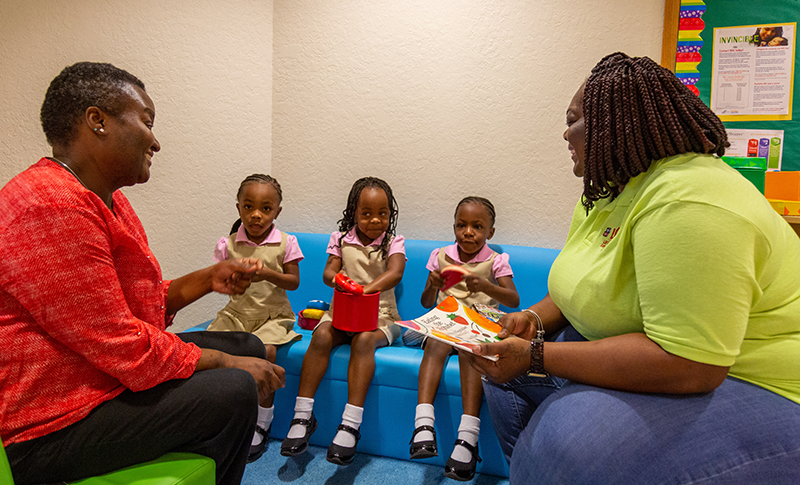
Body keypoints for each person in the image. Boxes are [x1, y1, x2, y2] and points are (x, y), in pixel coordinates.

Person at [464, 53, 800, 483]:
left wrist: (535, 356)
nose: (565, 133)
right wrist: (530, 320)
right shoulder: (606, 192)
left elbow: (691, 363)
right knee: (501, 379)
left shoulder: (689, 199)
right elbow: (576, 289)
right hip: (662, 356)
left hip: (753, 379)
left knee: (565, 445)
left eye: (573, 120)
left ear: (612, 122)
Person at [0, 62, 286, 485]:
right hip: (52, 424)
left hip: (102, 379)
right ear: (97, 121)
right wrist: (228, 363)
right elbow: (120, 344)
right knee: (233, 388)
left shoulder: (105, 199)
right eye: (147, 122)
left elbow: (130, 307)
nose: (155, 141)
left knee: (248, 344)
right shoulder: (49, 205)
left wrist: (207, 279)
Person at [280, 177, 405, 466]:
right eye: (366, 213)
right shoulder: (339, 239)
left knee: (363, 340)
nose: (375, 220)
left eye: (383, 213)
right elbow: (328, 273)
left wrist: (368, 289)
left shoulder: (393, 242)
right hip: (342, 313)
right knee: (321, 335)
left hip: (381, 316)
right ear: (353, 213)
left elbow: (396, 272)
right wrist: (338, 280)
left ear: (391, 214)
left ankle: (350, 423)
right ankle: (302, 415)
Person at [405, 196, 519, 481]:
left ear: (490, 232)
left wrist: (486, 285)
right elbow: (425, 302)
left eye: (477, 227)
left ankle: (467, 438)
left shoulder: (496, 261)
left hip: (478, 327)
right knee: (437, 341)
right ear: (454, 227)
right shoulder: (440, 256)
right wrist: (432, 285)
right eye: (461, 225)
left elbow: (513, 299)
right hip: (444, 325)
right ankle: (423, 425)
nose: (468, 232)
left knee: (472, 350)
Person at [208, 173, 303, 462]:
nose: (256, 215)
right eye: (248, 207)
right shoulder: (228, 244)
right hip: (236, 315)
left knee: (267, 351)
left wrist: (267, 273)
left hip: (272, 317)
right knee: (207, 349)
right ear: (238, 208)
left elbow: (293, 282)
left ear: (277, 211)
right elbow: (219, 280)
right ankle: (218, 418)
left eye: (265, 208)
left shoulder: (287, 242)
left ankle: (262, 422)